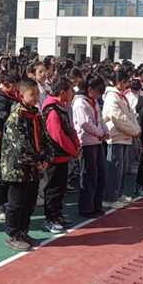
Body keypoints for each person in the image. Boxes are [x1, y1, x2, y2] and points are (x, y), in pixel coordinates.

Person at [1, 77, 53, 251]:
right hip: (18, 168)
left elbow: (45, 138)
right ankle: (12, 235)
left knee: (30, 202)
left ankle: (23, 231)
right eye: (32, 94)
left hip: (34, 167)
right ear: (21, 95)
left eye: (38, 93)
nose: (36, 97)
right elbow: (20, 146)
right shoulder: (16, 117)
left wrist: (46, 159)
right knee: (16, 203)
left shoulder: (36, 114)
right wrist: (37, 162)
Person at [41, 76, 80, 233]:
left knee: (60, 188)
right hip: (55, 156)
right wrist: (72, 149)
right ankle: (50, 218)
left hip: (63, 155)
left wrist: (76, 145)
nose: (72, 93)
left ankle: (57, 215)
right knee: (53, 189)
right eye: (70, 90)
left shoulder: (61, 107)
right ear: (62, 92)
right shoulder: (52, 110)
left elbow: (70, 128)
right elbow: (57, 135)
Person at [102, 70, 141, 209]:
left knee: (122, 168)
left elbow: (130, 115)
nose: (127, 84)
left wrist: (136, 129)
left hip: (125, 136)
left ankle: (118, 193)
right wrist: (134, 130)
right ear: (118, 82)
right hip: (116, 137)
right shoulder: (112, 97)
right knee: (114, 168)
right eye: (125, 82)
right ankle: (109, 197)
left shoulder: (121, 96)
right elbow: (118, 118)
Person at [72, 73, 109, 218]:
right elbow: (84, 123)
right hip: (87, 143)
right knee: (88, 177)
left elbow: (100, 119)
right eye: (98, 92)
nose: (99, 95)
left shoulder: (93, 102)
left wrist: (105, 131)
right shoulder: (80, 103)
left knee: (100, 175)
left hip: (97, 141)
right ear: (90, 89)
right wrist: (100, 132)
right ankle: (86, 208)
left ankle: (96, 205)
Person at [0, 70, 21, 220]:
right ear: (5, 84)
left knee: (7, 174)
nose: (17, 88)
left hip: (9, 143)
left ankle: (5, 202)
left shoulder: (12, 97)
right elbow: (1, 121)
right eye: (15, 85)